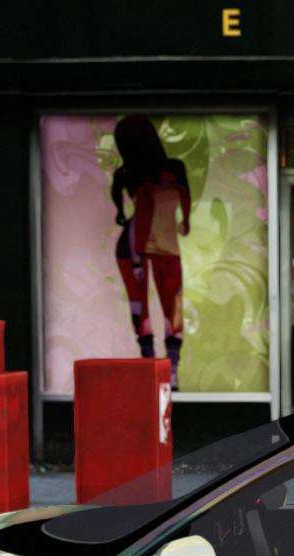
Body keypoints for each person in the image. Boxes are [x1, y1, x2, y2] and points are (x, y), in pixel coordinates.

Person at [109, 116, 193, 388]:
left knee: (164, 304)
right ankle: (160, 369)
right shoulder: (161, 171)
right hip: (141, 245)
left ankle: (165, 369)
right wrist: (185, 221)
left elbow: (182, 199)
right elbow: (135, 209)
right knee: (152, 306)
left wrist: (121, 213)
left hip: (155, 244)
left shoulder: (132, 173)